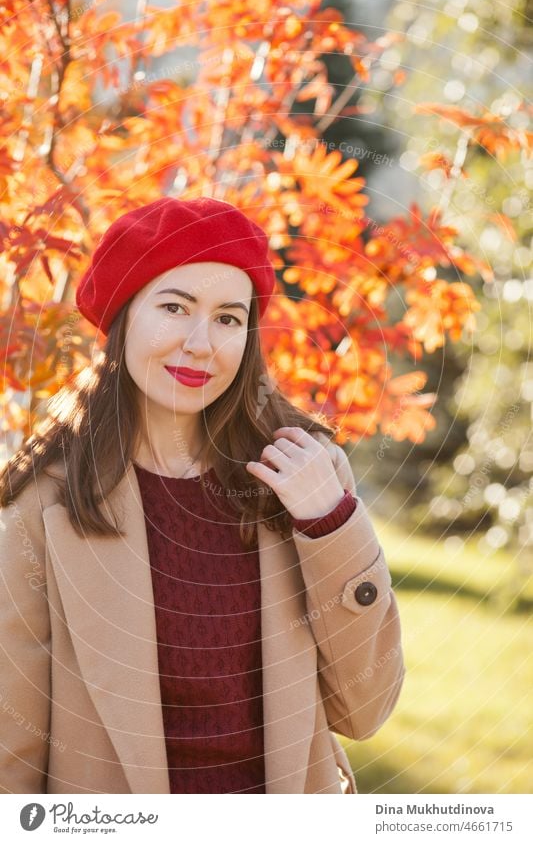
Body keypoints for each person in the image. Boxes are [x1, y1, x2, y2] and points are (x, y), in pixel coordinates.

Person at [0, 196, 405, 794]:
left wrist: (331, 526)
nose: (199, 344)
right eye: (174, 307)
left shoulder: (305, 475)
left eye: (228, 318)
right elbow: (15, 743)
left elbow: (365, 709)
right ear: (123, 318)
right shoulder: (46, 500)